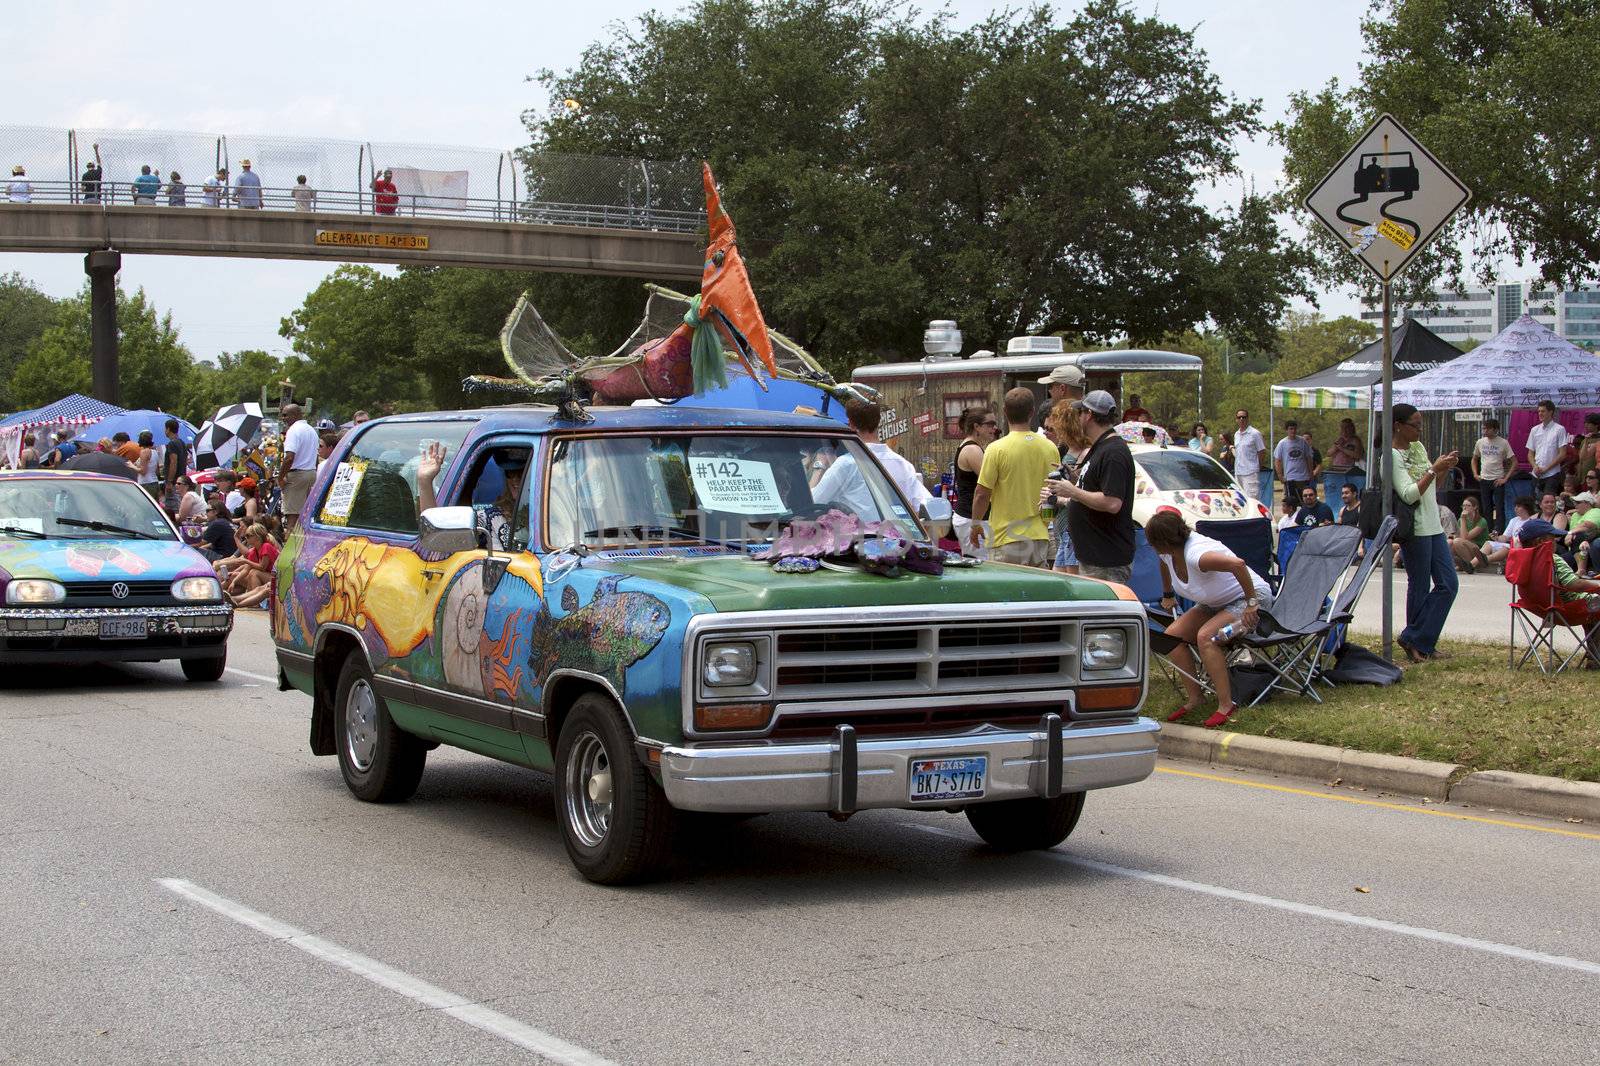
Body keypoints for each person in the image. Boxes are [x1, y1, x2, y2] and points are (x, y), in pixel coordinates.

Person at [1148, 510, 1273, 729]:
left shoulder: (1197, 555)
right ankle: (1196, 698)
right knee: (1172, 638)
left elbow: (1238, 564)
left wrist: (1252, 603)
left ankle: (1226, 704)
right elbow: (1164, 563)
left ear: (1163, 541)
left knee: (1207, 637)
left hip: (1250, 599)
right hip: (1214, 603)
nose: (1150, 546)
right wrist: (1167, 594)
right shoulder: (1167, 553)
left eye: (1151, 541)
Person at [1389, 402, 1460, 663]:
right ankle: (1419, 644)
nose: (1419, 430)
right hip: (1415, 528)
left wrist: (1442, 470)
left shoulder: (1418, 447)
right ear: (1398, 425)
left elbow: (1433, 486)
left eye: (1421, 424)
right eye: (1415, 425)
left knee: (1448, 583)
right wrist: (1432, 469)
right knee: (1418, 586)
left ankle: (1417, 637)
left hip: (1434, 525)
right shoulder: (1392, 456)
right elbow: (1408, 494)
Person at [1045, 390, 1136, 584]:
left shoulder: (1114, 452)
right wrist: (1073, 475)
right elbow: (1097, 486)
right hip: (1093, 555)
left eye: (1080, 413)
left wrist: (1072, 491)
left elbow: (1112, 503)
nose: (1077, 418)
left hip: (1106, 558)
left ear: (1089, 415)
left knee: (1105, 613)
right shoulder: (1100, 447)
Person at [970, 388, 1058, 567]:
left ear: (1005, 412)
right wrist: (1046, 522)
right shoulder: (1050, 447)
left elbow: (982, 494)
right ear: (1032, 412)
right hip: (1039, 537)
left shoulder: (996, 449)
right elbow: (1052, 492)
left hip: (1006, 537)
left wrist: (975, 524)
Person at [809, 401, 932, 517]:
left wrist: (819, 466)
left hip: (859, 538)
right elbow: (925, 506)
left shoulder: (846, 464)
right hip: (900, 538)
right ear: (879, 422)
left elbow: (812, 503)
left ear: (851, 424)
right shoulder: (903, 465)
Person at [1512, 518, 1600, 663]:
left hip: (1540, 607)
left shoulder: (1522, 560)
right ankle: (1595, 656)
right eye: (1552, 538)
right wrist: (1597, 587)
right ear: (1540, 541)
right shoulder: (1552, 559)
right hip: (1567, 608)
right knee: (1594, 604)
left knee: (1593, 608)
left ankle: (1594, 655)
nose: (1556, 541)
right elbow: (1573, 584)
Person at [417, 444, 529, 551]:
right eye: (509, 473)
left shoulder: (545, 514)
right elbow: (439, 540)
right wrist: (425, 482)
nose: (515, 479)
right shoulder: (491, 518)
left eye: (521, 473)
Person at [950, 406, 997, 560]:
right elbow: (992, 482)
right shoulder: (972, 449)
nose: (994, 428)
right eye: (990, 424)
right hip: (971, 518)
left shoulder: (972, 446)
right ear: (976, 426)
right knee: (981, 567)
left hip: (970, 518)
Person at [1471, 418, 1517, 533]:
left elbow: (1514, 461)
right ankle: (1488, 531)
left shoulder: (1503, 442)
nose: (1484, 431)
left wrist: (1505, 478)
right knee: (1487, 508)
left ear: (1495, 429)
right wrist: (1475, 473)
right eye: (1483, 428)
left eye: (1487, 428)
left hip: (1497, 479)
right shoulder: (1480, 442)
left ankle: (1500, 531)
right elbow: (1474, 459)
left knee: (1500, 507)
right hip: (1484, 478)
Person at [277, 403, 319, 531]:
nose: (283, 418)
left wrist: (280, 477)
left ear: (295, 415)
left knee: (292, 519)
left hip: (296, 476)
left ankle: (290, 550)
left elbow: (289, 457)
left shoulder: (294, 430)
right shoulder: (311, 430)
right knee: (305, 517)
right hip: (311, 473)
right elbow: (316, 457)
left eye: (285, 415)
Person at [224, 524, 281, 608]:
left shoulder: (266, 546)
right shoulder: (254, 551)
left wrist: (246, 561)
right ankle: (230, 599)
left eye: (248, 535)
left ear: (257, 537)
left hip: (278, 578)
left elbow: (262, 567)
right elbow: (245, 570)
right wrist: (234, 582)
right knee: (238, 575)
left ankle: (252, 603)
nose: (246, 538)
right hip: (268, 577)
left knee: (255, 572)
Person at [1323, 418, 1366, 517]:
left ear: (1351, 428)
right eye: (1343, 428)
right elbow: (1329, 453)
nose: (1345, 430)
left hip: (1351, 472)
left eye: (1347, 428)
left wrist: (1342, 449)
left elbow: (1357, 455)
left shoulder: (1355, 440)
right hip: (1337, 471)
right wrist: (1338, 445)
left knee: (1349, 495)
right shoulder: (1340, 439)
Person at [1527, 399, 1569, 498]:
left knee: (1548, 501)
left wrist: (1546, 468)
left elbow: (1562, 454)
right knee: (1533, 503)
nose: (1540, 413)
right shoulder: (1534, 430)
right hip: (1536, 474)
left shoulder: (1559, 429)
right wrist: (1534, 466)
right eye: (1539, 411)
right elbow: (1530, 453)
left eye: (1543, 411)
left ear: (1551, 412)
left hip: (1552, 473)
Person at [1034, 364, 1086, 441]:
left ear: (1062, 389)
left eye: (1050, 386)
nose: (1049, 391)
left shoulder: (1069, 423)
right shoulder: (1088, 417)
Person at [1483, 495, 1535, 570]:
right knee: (1488, 543)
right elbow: (1505, 537)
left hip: (1523, 547)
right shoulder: (1514, 520)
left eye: (1519, 506)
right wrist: (1497, 537)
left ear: (1527, 508)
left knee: (1505, 548)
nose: (1515, 508)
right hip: (1512, 546)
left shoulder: (1532, 520)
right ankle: (1471, 564)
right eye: (1515, 506)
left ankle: (1484, 559)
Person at [1231, 409, 1267, 502]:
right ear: (1236, 420)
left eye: (1244, 417)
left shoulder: (1255, 433)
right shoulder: (1236, 434)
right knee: (1240, 500)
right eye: (1239, 417)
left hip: (1250, 473)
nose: (1241, 419)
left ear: (1248, 419)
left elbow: (1262, 451)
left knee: (1252, 500)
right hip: (1238, 473)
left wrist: (1257, 467)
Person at [1273, 420, 1313, 502]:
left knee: (1305, 500)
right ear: (1287, 430)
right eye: (1291, 429)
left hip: (1303, 477)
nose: (1293, 431)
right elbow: (1277, 460)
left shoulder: (1303, 441)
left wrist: (1311, 473)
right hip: (1290, 477)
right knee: (1291, 502)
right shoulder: (1282, 443)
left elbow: (1309, 458)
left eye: (1294, 429)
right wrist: (1280, 476)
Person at [1450, 495, 1492, 574]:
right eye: (1463, 505)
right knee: (1451, 542)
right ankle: (1461, 565)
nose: (1465, 508)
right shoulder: (1460, 520)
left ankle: (1470, 565)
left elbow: (1465, 537)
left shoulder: (1482, 521)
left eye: (1468, 505)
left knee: (1457, 541)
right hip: (1465, 546)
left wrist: (1463, 519)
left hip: (1478, 549)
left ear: (1475, 507)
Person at [161, 418, 189, 512]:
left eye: (165, 429)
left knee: (172, 508)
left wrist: (169, 481)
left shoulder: (172, 444)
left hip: (174, 481)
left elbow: (173, 462)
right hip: (181, 479)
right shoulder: (181, 442)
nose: (165, 431)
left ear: (168, 429)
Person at [135, 430, 160, 496]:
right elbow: (157, 471)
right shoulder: (155, 452)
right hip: (155, 481)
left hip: (145, 483)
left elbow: (143, 471)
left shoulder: (144, 452)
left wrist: (132, 466)